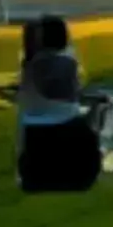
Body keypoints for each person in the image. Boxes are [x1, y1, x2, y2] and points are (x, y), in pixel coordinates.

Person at [14, 14, 102, 192]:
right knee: (98, 113)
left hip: (34, 163)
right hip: (74, 160)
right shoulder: (66, 63)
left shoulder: (29, 68)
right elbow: (72, 96)